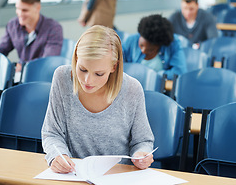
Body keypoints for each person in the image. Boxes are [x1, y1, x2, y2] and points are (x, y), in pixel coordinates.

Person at [42, 25, 154, 174]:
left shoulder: (132, 89)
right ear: (76, 57)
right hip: (73, 175)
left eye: (99, 74)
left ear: (114, 67)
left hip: (118, 176)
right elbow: (52, 133)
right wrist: (58, 155)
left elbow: (143, 141)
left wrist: (141, 154)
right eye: (82, 69)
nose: (88, 80)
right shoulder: (62, 78)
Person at [0, 0, 63, 73]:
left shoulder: (53, 28)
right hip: (19, 75)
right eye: (17, 8)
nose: (19, 13)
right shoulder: (12, 25)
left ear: (37, 8)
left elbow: (47, 62)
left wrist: (22, 67)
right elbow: (0, 51)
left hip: (41, 76)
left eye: (25, 10)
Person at [122, 14, 187, 80]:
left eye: (150, 50)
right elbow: (117, 62)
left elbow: (180, 72)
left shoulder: (173, 43)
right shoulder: (131, 40)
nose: (143, 51)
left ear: (160, 45)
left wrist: (153, 76)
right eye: (141, 45)